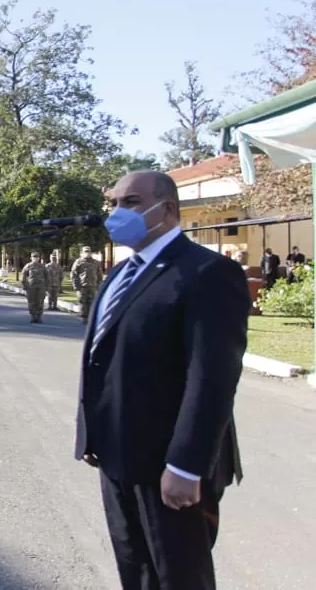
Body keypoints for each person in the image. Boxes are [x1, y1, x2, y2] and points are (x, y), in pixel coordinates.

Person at [75, 170, 248, 590]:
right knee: (135, 570)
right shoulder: (120, 273)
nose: (117, 213)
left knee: (179, 577)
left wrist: (186, 465)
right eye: (113, 204)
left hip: (169, 465)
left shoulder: (207, 272)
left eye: (130, 203)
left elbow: (213, 377)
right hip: (117, 455)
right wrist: (92, 435)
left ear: (166, 209)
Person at [71, 246, 103, 323]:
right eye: (85, 251)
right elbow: (74, 274)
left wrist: (99, 285)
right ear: (82, 252)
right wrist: (76, 286)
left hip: (93, 286)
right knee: (83, 302)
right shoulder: (78, 262)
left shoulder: (96, 262)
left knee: (92, 302)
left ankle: (90, 317)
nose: (87, 253)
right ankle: (84, 317)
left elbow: (99, 275)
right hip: (82, 286)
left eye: (88, 251)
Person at [20, 252, 48, 323]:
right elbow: (23, 276)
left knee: (40, 302)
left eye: (37, 257)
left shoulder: (42, 266)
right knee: (31, 302)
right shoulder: (28, 266)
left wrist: (47, 287)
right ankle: (33, 316)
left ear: (39, 258)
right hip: (31, 287)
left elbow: (47, 277)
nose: (35, 258)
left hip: (41, 287)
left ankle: (38, 317)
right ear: (31, 258)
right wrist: (24, 285)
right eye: (34, 257)